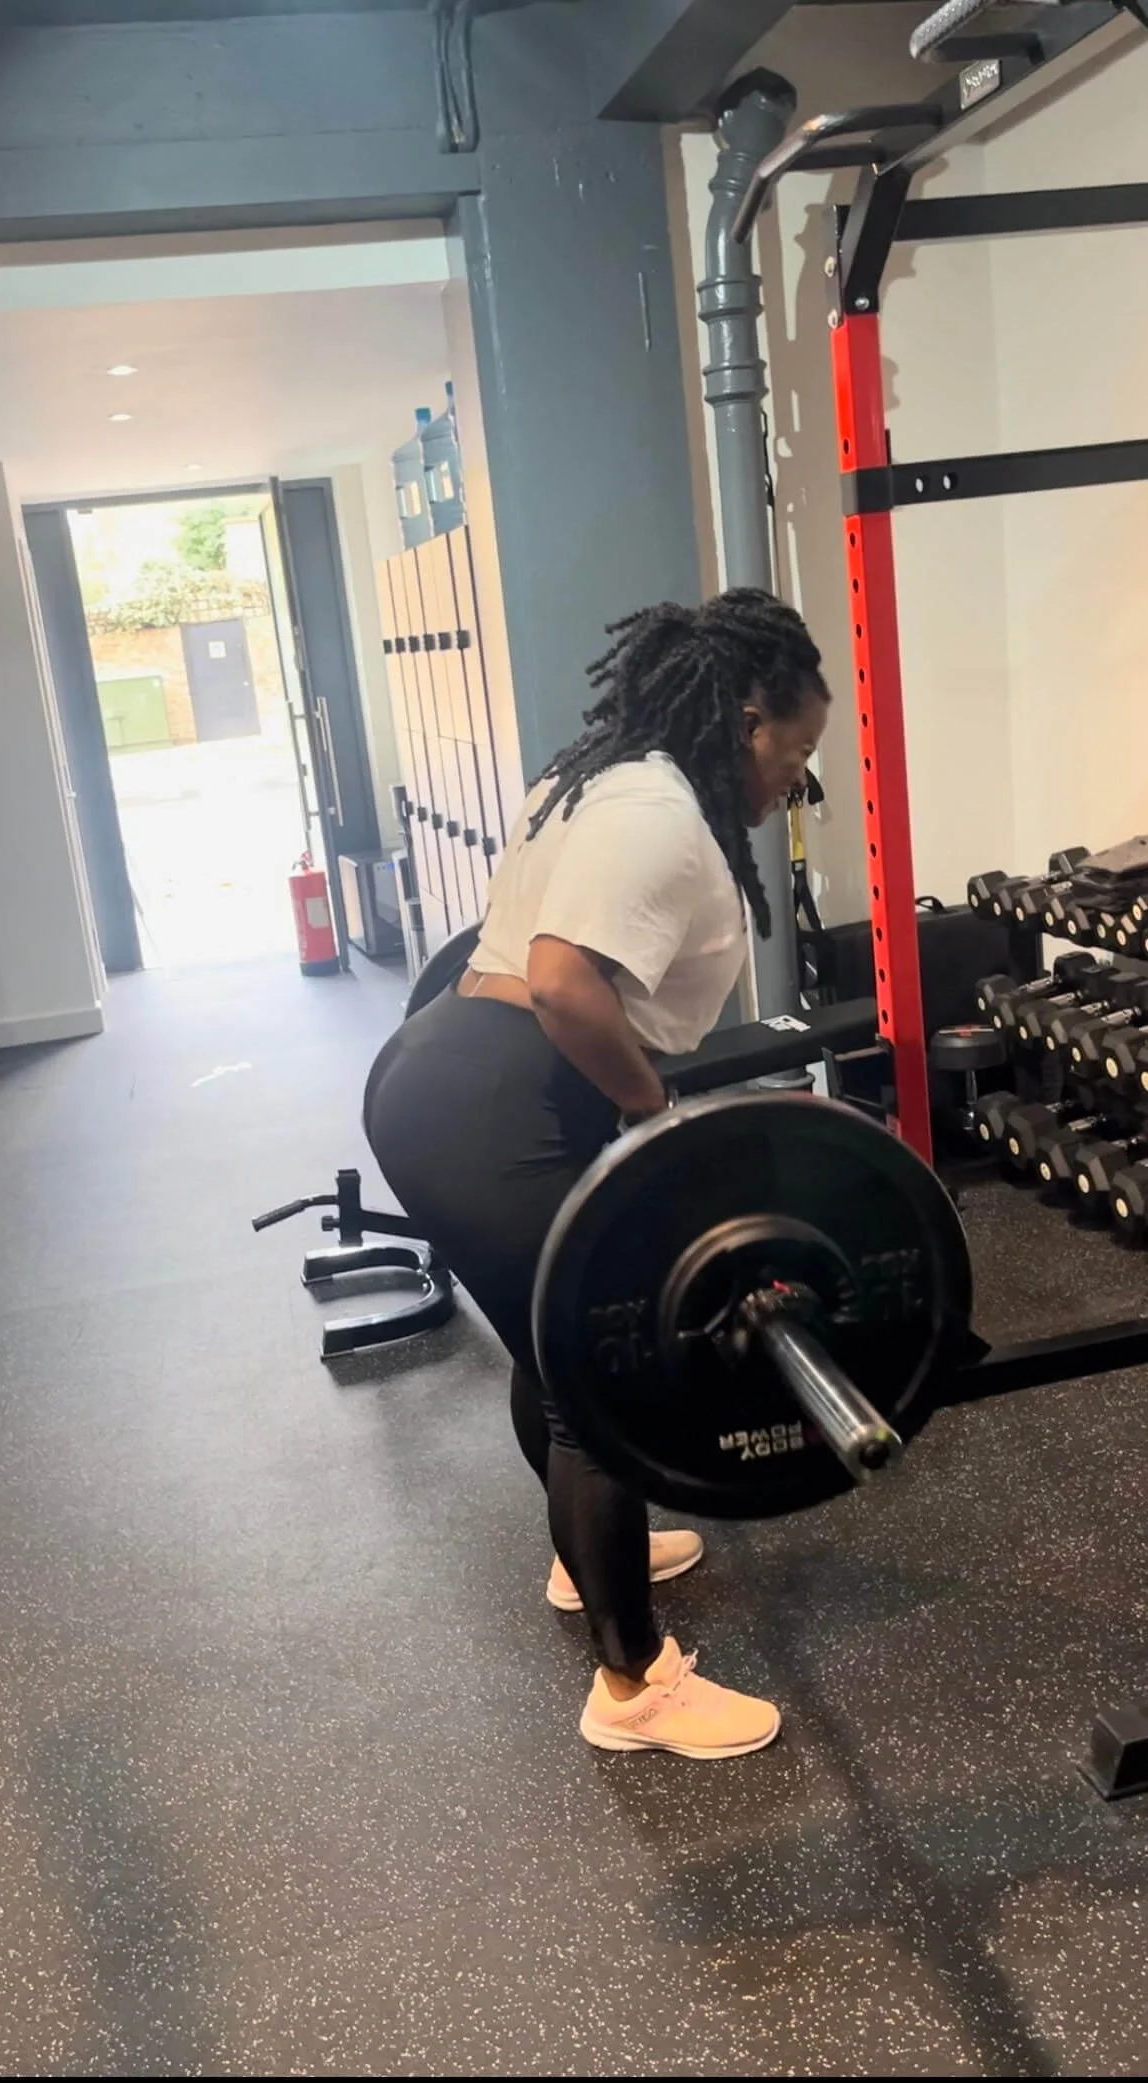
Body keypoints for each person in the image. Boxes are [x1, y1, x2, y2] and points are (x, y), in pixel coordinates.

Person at [365, 587, 831, 1758]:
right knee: (600, 1380)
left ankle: (586, 1563)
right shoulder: (658, 811)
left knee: (551, 1348)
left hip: (444, 1073)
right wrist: (647, 1110)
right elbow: (564, 982)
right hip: (504, 1100)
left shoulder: (608, 778)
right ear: (745, 720)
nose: (792, 782)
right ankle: (634, 1689)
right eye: (794, 753)